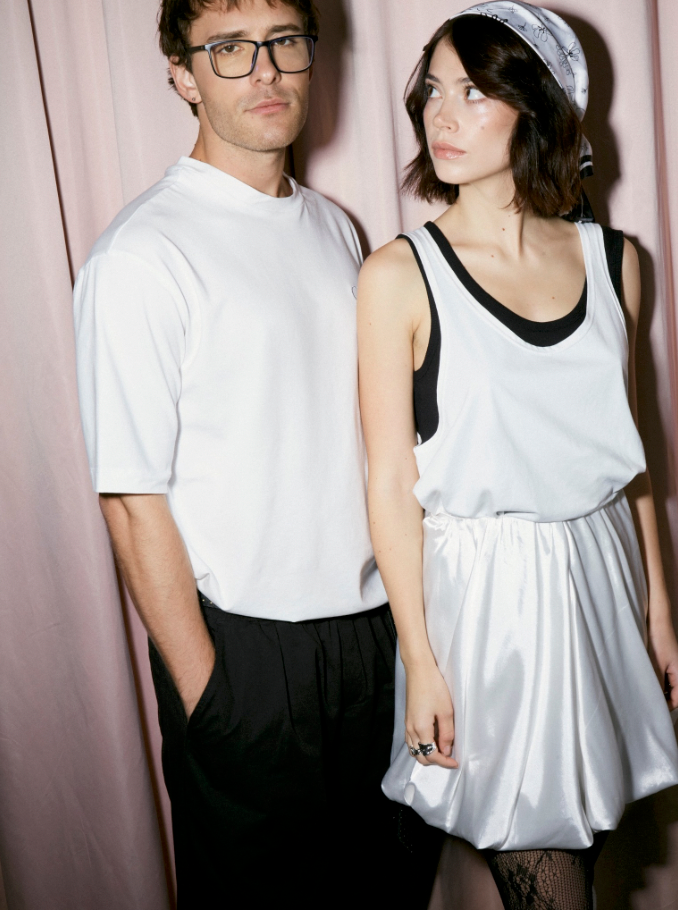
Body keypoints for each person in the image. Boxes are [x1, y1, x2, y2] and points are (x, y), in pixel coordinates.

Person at [73, 0, 441, 906]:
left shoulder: (337, 230)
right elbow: (131, 500)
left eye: (283, 41)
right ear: (181, 74)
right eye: (230, 49)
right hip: (245, 654)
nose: (266, 70)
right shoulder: (141, 254)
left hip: (373, 640)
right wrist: (209, 693)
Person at [357, 2, 678, 908]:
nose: (442, 115)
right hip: (490, 609)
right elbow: (389, 483)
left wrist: (659, 609)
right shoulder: (398, 275)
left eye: (473, 92)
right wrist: (421, 658)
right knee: (547, 871)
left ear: (536, 107)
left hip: (601, 577)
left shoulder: (617, 262)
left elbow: (630, 453)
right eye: (433, 92)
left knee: (594, 846)